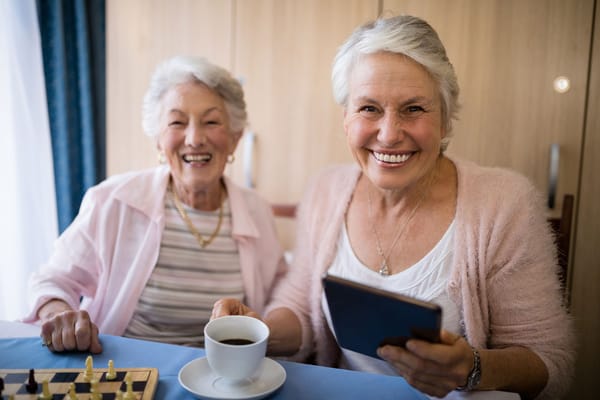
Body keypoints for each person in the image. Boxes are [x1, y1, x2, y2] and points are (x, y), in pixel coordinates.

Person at [212, 15, 574, 399]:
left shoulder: (505, 204)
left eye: (414, 109)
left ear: (447, 119)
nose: (388, 134)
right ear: (346, 117)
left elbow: (551, 359)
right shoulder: (325, 190)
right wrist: (258, 331)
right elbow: (300, 305)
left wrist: (471, 368)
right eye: (369, 108)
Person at [23, 55, 287, 353]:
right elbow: (53, 280)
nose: (194, 138)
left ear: (235, 139)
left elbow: (281, 292)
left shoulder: (257, 211)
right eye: (177, 122)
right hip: (125, 371)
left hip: (224, 377)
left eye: (211, 122)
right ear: (158, 142)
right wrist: (61, 317)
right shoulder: (112, 200)